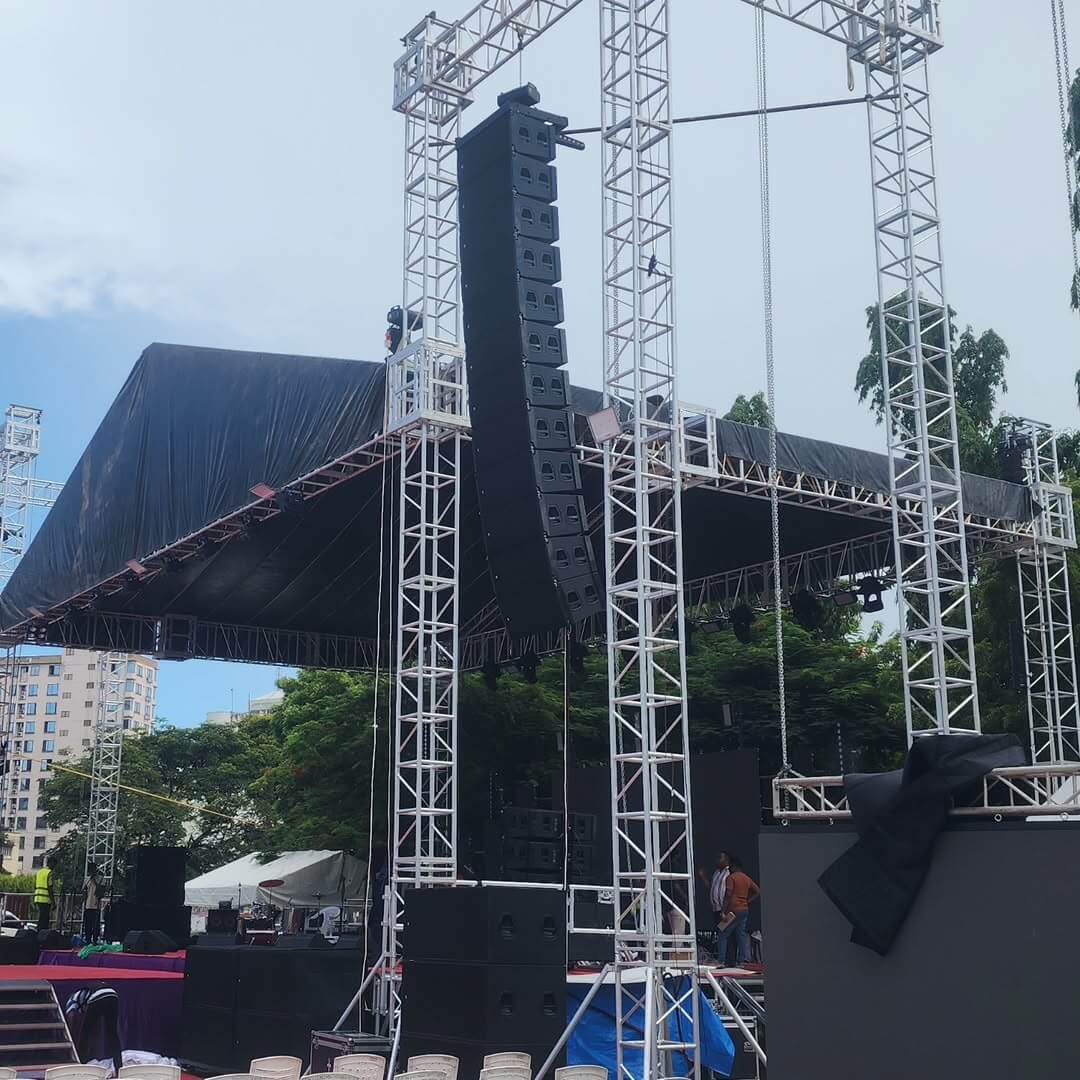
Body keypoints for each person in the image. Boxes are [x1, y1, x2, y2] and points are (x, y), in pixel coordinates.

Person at [716, 854, 760, 966]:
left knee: (722, 933)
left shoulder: (731, 878)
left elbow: (728, 894)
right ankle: (742, 960)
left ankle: (721, 960)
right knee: (741, 935)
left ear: (734, 866)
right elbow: (758, 891)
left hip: (732, 910)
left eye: (730, 866)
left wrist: (723, 911)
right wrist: (747, 901)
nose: (729, 869)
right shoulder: (746, 878)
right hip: (744, 909)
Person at [698, 852, 730, 962]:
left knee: (724, 933)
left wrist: (725, 910)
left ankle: (724, 958)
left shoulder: (729, 872)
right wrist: (703, 877)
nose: (717, 860)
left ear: (726, 860)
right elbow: (711, 887)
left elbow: (729, 892)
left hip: (725, 909)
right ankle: (722, 957)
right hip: (716, 909)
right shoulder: (716, 872)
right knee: (719, 933)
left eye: (720, 858)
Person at [34, 855, 58, 932]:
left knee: (41, 918)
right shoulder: (49, 873)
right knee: (45, 919)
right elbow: (50, 887)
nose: (54, 867)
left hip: (38, 898)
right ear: (51, 863)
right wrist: (53, 902)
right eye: (54, 864)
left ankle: (39, 933)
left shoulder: (40, 872)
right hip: (45, 899)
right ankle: (43, 934)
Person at [83, 862, 102, 944]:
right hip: (88, 905)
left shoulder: (100, 879)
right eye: (90, 870)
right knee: (88, 924)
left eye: (93, 869)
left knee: (96, 924)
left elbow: (100, 891)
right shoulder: (87, 879)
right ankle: (87, 939)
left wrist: (93, 879)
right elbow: (84, 890)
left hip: (96, 905)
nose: (91, 871)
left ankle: (95, 939)